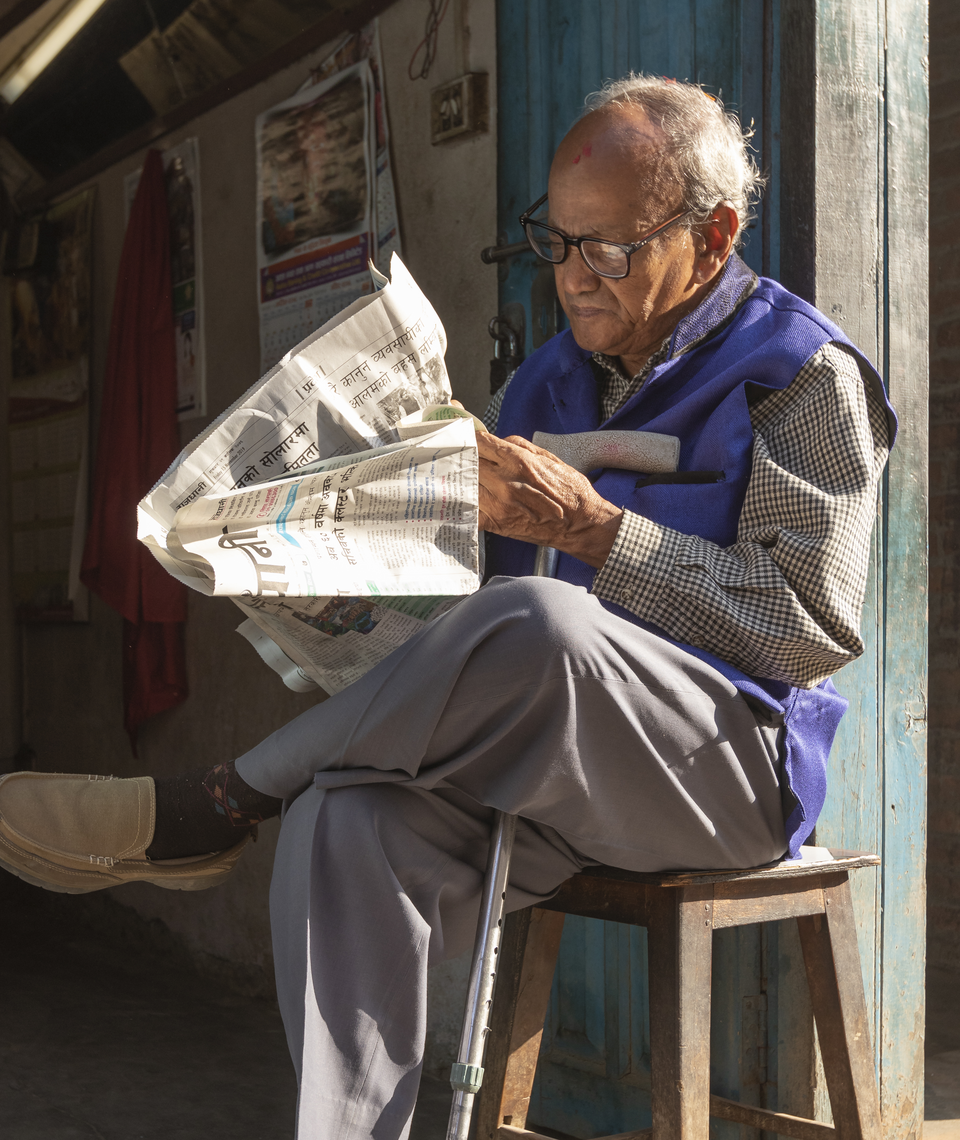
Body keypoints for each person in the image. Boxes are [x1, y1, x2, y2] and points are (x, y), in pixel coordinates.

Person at [0, 75, 895, 1140]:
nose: (571, 279)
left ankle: (216, 803)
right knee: (343, 822)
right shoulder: (545, 387)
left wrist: (602, 534)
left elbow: (809, 625)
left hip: (723, 771)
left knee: (545, 624)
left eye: (606, 246)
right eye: (555, 243)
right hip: (556, 768)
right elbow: (486, 629)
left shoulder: (801, 376)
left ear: (715, 235)